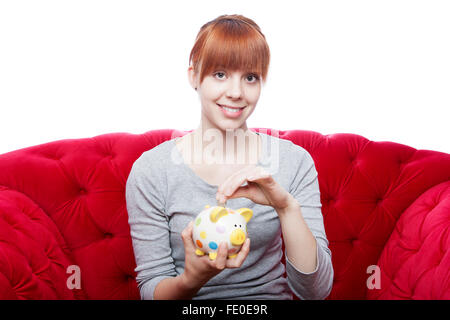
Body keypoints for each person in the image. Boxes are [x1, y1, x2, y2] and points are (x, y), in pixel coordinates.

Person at [125, 14, 333, 300]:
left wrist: (286, 208)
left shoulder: (294, 162)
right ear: (194, 76)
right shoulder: (151, 171)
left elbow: (316, 292)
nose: (236, 93)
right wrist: (190, 280)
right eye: (220, 74)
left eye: (250, 78)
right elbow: (151, 287)